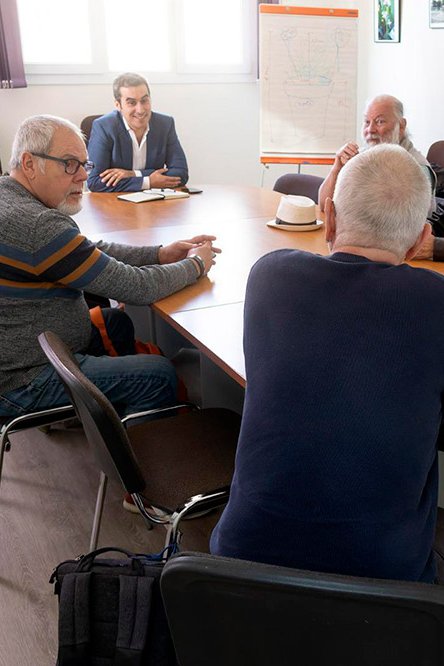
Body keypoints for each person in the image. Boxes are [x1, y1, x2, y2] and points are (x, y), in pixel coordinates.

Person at [211, 144, 444, 584]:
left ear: (330, 218)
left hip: (240, 568)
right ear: (420, 241)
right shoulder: (435, 302)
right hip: (386, 586)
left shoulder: (270, 275)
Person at [0, 114, 216, 422]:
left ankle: (110, 416)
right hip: (22, 380)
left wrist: (160, 254)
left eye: (83, 165)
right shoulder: (38, 225)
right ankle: (128, 449)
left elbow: (86, 250)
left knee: (117, 322)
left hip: (25, 350)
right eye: (69, 164)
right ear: (29, 163)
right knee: (157, 375)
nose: (82, 176)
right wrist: (196, 265)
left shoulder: (9, 196)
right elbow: (138, 287)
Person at [318, 94, 444, 261]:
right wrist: (337, 169)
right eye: (366, 122)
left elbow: (403, 234)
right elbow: (323, 206)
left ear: (401, 126)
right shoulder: (363, 157)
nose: (370, 130)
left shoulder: (416, 170)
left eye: (379, 122)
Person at [87, 72, 188, 192]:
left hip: (155, 199)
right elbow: (94, 182)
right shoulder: (103, 127)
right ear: (118, 105)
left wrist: (133, 174)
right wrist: (148, 182)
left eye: (144, 101)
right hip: (116, 200)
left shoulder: (165, 124)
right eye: (131, 103)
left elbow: (180, 173)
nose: (140, 110)